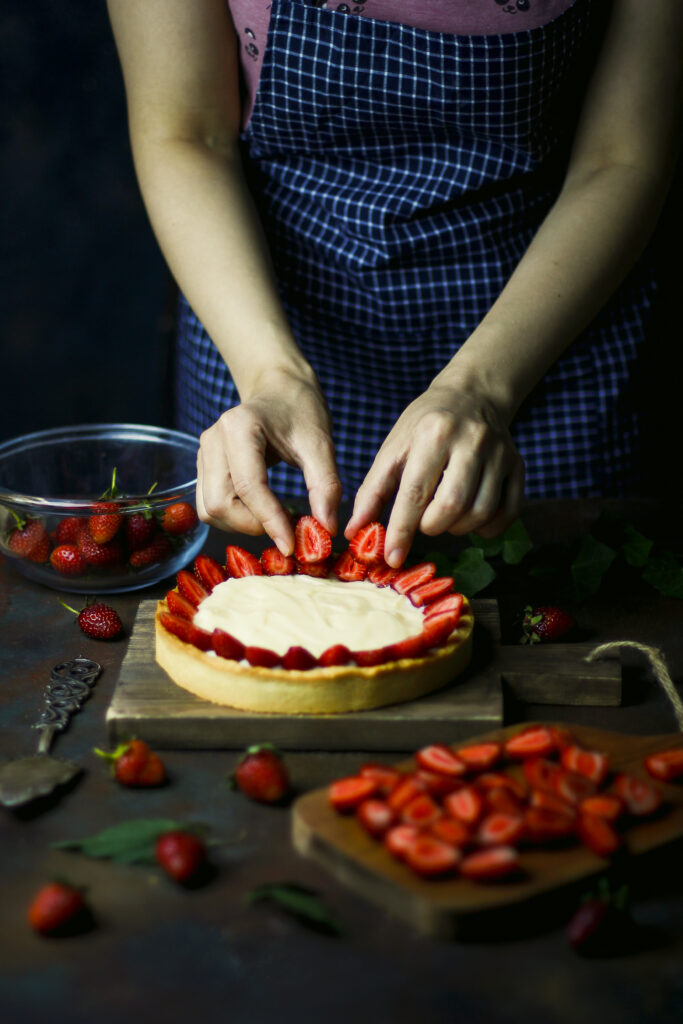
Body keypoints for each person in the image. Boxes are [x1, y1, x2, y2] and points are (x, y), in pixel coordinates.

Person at [107, 0, 682, 568]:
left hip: (551, 333)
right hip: (259, 317)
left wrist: (482, 388)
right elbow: (187, 133)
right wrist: (268, 375)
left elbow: (621, 157)